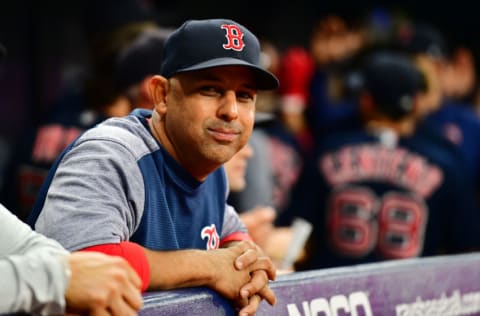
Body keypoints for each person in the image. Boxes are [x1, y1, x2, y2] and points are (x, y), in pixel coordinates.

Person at [28, 18, 279, 316]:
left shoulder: (208, 166)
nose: (230, 111)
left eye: (244, 96)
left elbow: (234, 237)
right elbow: (75, 266)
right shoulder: (112, 154)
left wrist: (251, 265)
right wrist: (210, 266)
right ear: (162, 96)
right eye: (210, 89)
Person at [278, 51, 480, 270]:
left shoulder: (328, 150)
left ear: (366, 101)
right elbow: (467, 249)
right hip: (413, 297)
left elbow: (294, 235)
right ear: (415, 103)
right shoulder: (445, 163)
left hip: (337, 296)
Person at [0, 43, 142, 316]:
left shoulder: (45, 123)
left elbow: (28, 242)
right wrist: (57, 278)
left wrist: (67, 274)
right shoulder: (115, 145)